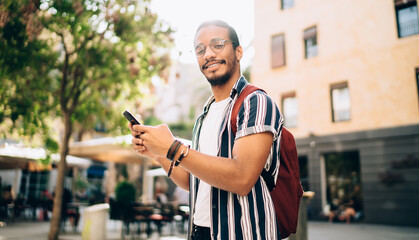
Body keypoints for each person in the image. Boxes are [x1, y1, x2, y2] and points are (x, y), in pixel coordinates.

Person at [130, 20, 283, 240]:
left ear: (238, 51)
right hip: (200, 232)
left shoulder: (255, 102)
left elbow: (242, 178)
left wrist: (173, 148)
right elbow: (194, 182)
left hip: (243, 233)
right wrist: (159, 153)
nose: (208, 54)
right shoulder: (204, 116)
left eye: (217, 45)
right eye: (200, 50)